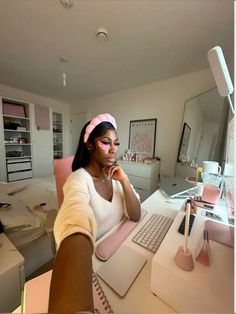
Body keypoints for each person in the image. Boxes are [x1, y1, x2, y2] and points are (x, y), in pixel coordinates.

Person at [48, 113, 141, 313]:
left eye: (116, 143)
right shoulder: (78, 179)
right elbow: (75, 218)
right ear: (90, 145)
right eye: (106, 142)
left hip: (120, 253)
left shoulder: (115, 175)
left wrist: (124, 181)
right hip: (94, 268)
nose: (114, 149)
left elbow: (135, 215)